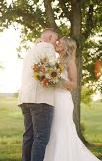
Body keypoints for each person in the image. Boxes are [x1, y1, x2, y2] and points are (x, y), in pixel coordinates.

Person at [43, 37, 100, 161]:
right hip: (53, 99)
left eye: (60, 43)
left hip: (63, 100)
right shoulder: (55, 61)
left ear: (66, 47)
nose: (56, 43)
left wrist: (56, 79)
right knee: (52, 128)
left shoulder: (70, 62)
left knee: (61, 127)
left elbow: (74, 84)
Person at [18, 28, 59, 161]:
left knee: (28, 136)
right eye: (55, 40)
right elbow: (53, 71)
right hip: (40, 99)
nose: (55, 44)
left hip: (25, 98)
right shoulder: (47, 47)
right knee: (41, 138)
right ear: (50, 37)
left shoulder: (31, 50)